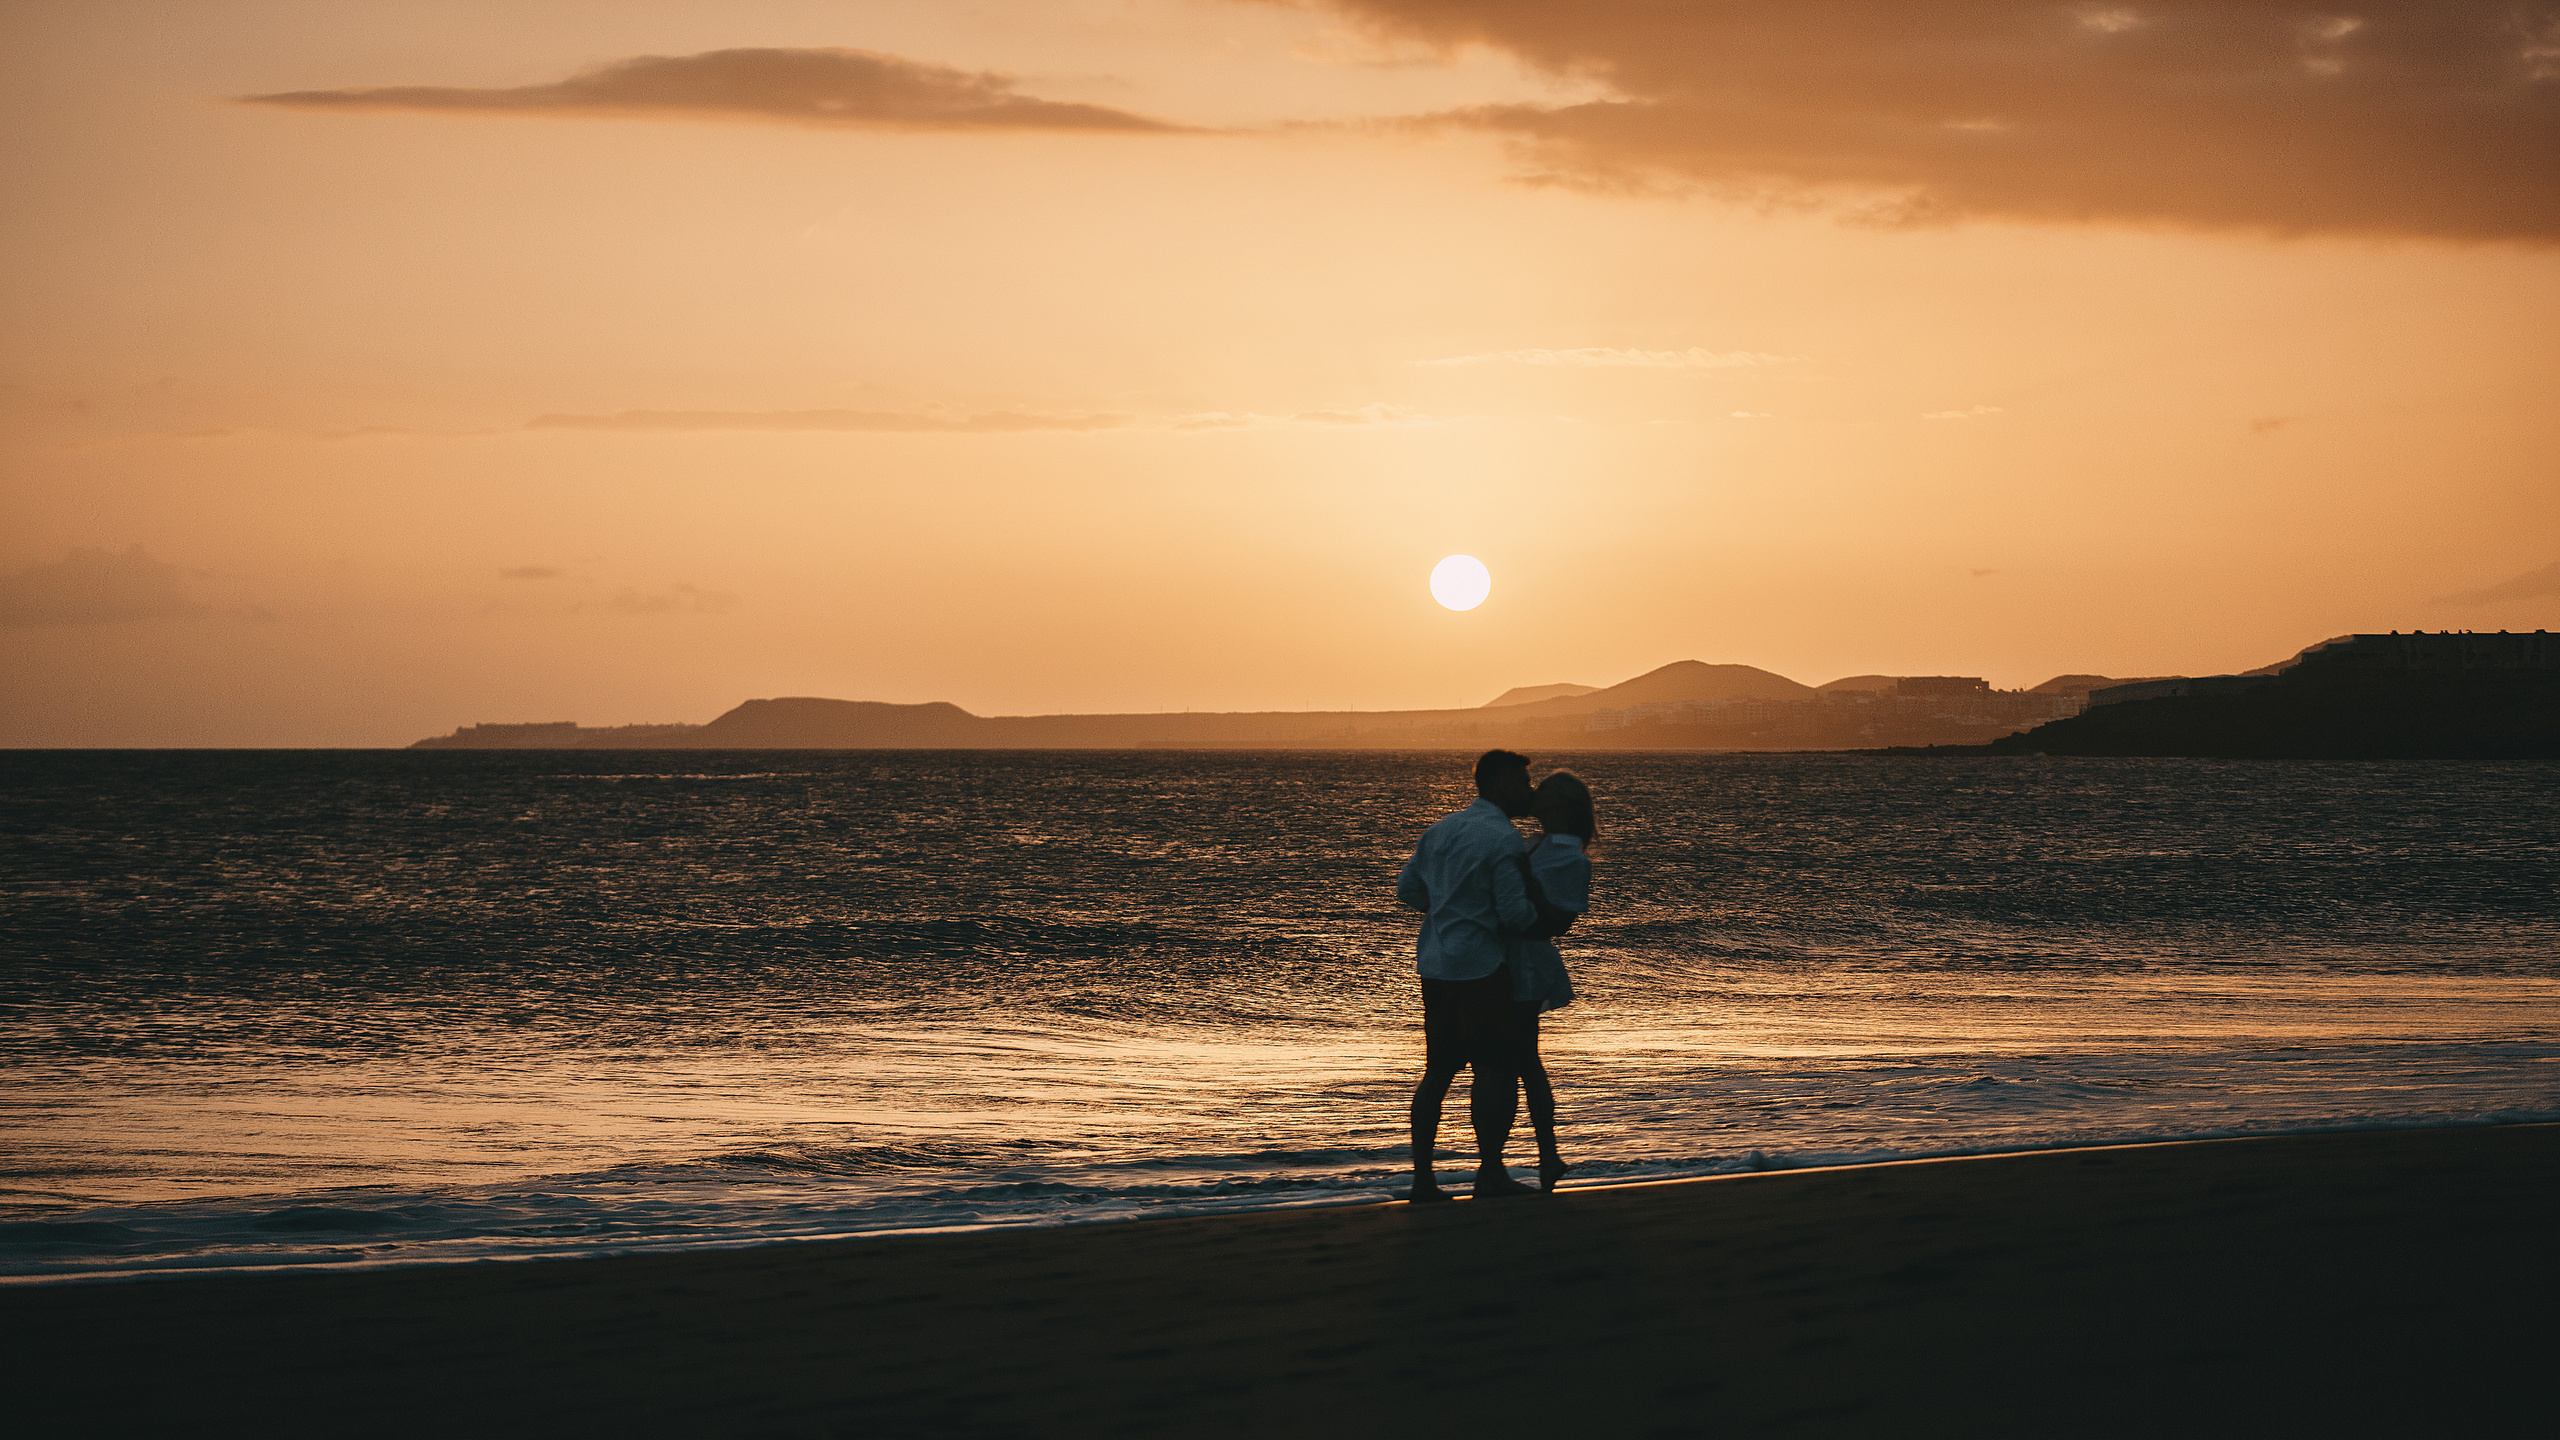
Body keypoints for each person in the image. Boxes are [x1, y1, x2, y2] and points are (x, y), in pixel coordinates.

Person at [1395, 749, 1539, 1202]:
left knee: (1437, 1072)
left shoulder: (1440, 829)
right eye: (1522, 783)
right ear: (1501, 785)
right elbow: (1514, 913)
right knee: (1495, 1068)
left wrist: (1445, 911)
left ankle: (1422, 1179)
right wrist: (1545, 916)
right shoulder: (1504, 839)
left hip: (1436, 964)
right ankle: (1490, 1171)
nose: (1528, 792)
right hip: (1482, 966)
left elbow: (1408, 889)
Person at [1511, 771, 1594, 1194]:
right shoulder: (1533, 843)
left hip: (1525, 963)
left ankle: (1546, 1155)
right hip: (1510, 958)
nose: (1533, 793)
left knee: (1524, 1060)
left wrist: (1525, 885)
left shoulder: (1569, 857)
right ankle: (1547, 1156)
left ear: (1560, 804)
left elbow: (1561, 922)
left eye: (1542, 789)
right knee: (1520, 1061)